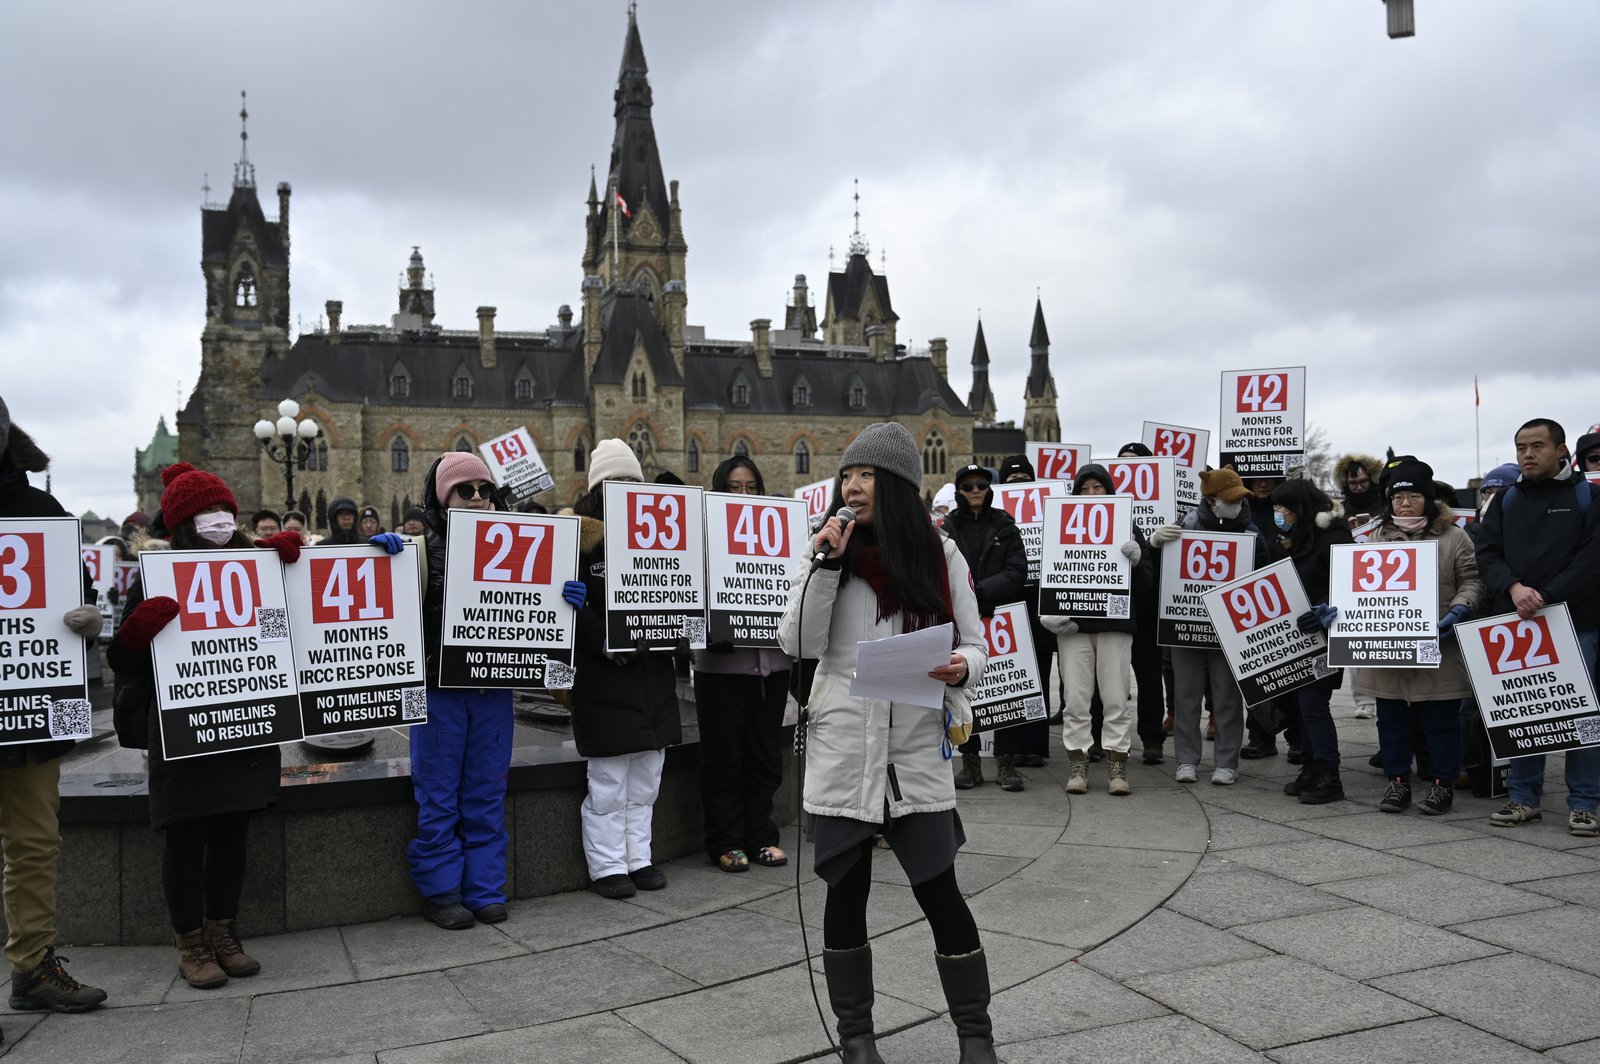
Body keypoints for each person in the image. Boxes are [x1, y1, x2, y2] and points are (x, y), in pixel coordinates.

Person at [779, 422, 996, 1064]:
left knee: (940, 891)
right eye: (847, 475)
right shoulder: (826, 550)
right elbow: (799, 644)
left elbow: (976, 643)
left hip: (916, 745)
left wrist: (963, 666)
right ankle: (857, 1041)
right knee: (846, 892)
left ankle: (976, 1039)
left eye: (865, 475)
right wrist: (825, 563)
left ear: (896, 484)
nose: (851, 486)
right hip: (845, 742)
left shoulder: (942, 553)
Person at [107, 462, 302, 988]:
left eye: (222, 511)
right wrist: (136, 632)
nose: (216, 521)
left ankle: (223, 932)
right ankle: (190, 943)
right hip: (183, 727)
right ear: (180, 525)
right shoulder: (155, 574)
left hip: (241, 722)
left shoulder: (254, 565)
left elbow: (290, 631)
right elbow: (122, 663)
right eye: (202, 514)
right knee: (187, 836)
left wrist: (292, 569)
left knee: (233, 832)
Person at [0, 397, 107, 1016]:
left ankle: (32, 968)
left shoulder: (41, 512)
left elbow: (80, 594)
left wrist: (86, 618)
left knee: (35, 844)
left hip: (26, 715)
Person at [409, 452, 544, 928]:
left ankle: (485, 889)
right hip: (440, 687)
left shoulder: (516, 544)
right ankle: (442, 890)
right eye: (466, 491)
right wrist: (386, 565)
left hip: (494, 687)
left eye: (486, 489)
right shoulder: (421, 548)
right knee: (439, 791)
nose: (479, 498)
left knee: (488, 788)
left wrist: (566, 598)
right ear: (444, 498)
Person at [1477, 418, 1600, 834]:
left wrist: (1543, 595)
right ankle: (1523, 798)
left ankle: (1585, 803)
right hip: (1520, 622)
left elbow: (1590, 562)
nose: (1527, 455)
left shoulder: (1589, 497)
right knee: (1527, 712)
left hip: (1576, 623)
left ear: (1562, 450)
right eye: (1520, 448)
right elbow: (1486, 552)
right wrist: (1513, 588)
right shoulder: (1506, 500)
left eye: (1537, 446)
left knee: (1581, 715)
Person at [570, 440, 680, 899]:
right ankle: (608, 866)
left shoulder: (662, 538)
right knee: (609, 782)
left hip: (651, 682)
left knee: (646, 779)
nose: (626, 490)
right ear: (598, 489)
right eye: (615, 483)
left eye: (633, 482)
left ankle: (639, 858)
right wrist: (599, 637)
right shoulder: (579, 543)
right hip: (605, 682)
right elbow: (567, 617)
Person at [1357, 458, 1485, 816]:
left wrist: (1459, 609)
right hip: (1388, 645)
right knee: (1392, 721)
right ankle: (1397, 783)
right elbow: (1357, 588)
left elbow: (1472, 581)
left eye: (1413, 496)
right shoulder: (1376, 537)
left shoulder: (1453, 536)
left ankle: (1442, 785)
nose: (1405, 504)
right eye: (1398, 498)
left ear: (1428, 499)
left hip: (1437, 643)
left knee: (1441, 722)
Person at [693, 456, 792, 871]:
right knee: (724, 757)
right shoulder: (702, 537)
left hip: (772, 666)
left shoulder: (780, 536)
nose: (744, 495)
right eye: (735, 487)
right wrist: (702, 635)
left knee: (765, 757)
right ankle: (725, 840)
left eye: (751, 486)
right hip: (722, 668)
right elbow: (680, 595)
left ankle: (762, 836)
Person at [1149, 467, 1277, 786]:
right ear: (1210, 499)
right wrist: (1154, 542)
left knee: (1227, 696)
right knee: (1186, 695)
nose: (1235, 504)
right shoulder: (1186, 526)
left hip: (1229, 629)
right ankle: (1187, 760)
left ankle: (1226, 762)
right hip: (1185, 623)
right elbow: (1161, 571)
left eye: (1239, 499)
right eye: (1228, 499)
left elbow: (1264, 576)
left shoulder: (1251, 534)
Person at [1043, 463, 1153, 796]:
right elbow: (1054, 570)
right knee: (1075, 699)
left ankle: (1117, 765)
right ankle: (1078, 764)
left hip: (1114, 625)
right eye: (1085, 488)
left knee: (1116, 697)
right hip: (1074, 627)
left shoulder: (1126, 525)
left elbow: (1147, 582)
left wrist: (1136, 561)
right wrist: (1050, 612)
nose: (1091, 494)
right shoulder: (1060, 524)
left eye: (1098, 488)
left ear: (1109, 491)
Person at [941, 464, 1028, 790]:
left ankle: (1007, 763)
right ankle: (971, 762)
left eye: (981, 484)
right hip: (963, 623)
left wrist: (976, 591)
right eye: (968, 485)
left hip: (1000, 617)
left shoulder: (1005, 524)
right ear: (959, 491)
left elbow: (1018, 571)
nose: (975, 489)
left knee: (1007, 690)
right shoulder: (948, 527)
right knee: (965, 689)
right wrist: (964, 596)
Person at [1275, 476, 1354, 804]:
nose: (1278, 514)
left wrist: (1325, 607)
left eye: (1283, 508)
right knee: (1300, 705)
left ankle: (1328, 773)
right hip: (1300, 637)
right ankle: (1311, 765)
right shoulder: (1297, 536)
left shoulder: (1333, 537)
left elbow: (1349, 582)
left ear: (1300, 508)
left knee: (1313, 703)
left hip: (1324, 636)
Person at [995, 453, 1058, 761]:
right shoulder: (996, 517)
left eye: (1024, 478)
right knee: (1012, 676)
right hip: (1008, 602)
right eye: (1012, 479)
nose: (1018, 483)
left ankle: (1035, 746)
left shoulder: (1052, 512)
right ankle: (1011, 746)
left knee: (1041, 676)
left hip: (1040, 604)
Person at [1118, 442, 1171, 764]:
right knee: (1107, 680)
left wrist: (1153, 545)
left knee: (1150, 677)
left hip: (1148, 605)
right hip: (1112, 608)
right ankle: (1101, 740)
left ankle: (1152, 738)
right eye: (1123, 463)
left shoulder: (1167, 506)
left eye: (1136, 463)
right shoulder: (1107, 510)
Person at [1334, 454, 1384, 525]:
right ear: (1346, 484)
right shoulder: (1340, 512)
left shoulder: (1386, 506)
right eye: (1353, 483)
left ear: (1372, 480)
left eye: (1363, 481)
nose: (1359, 487)